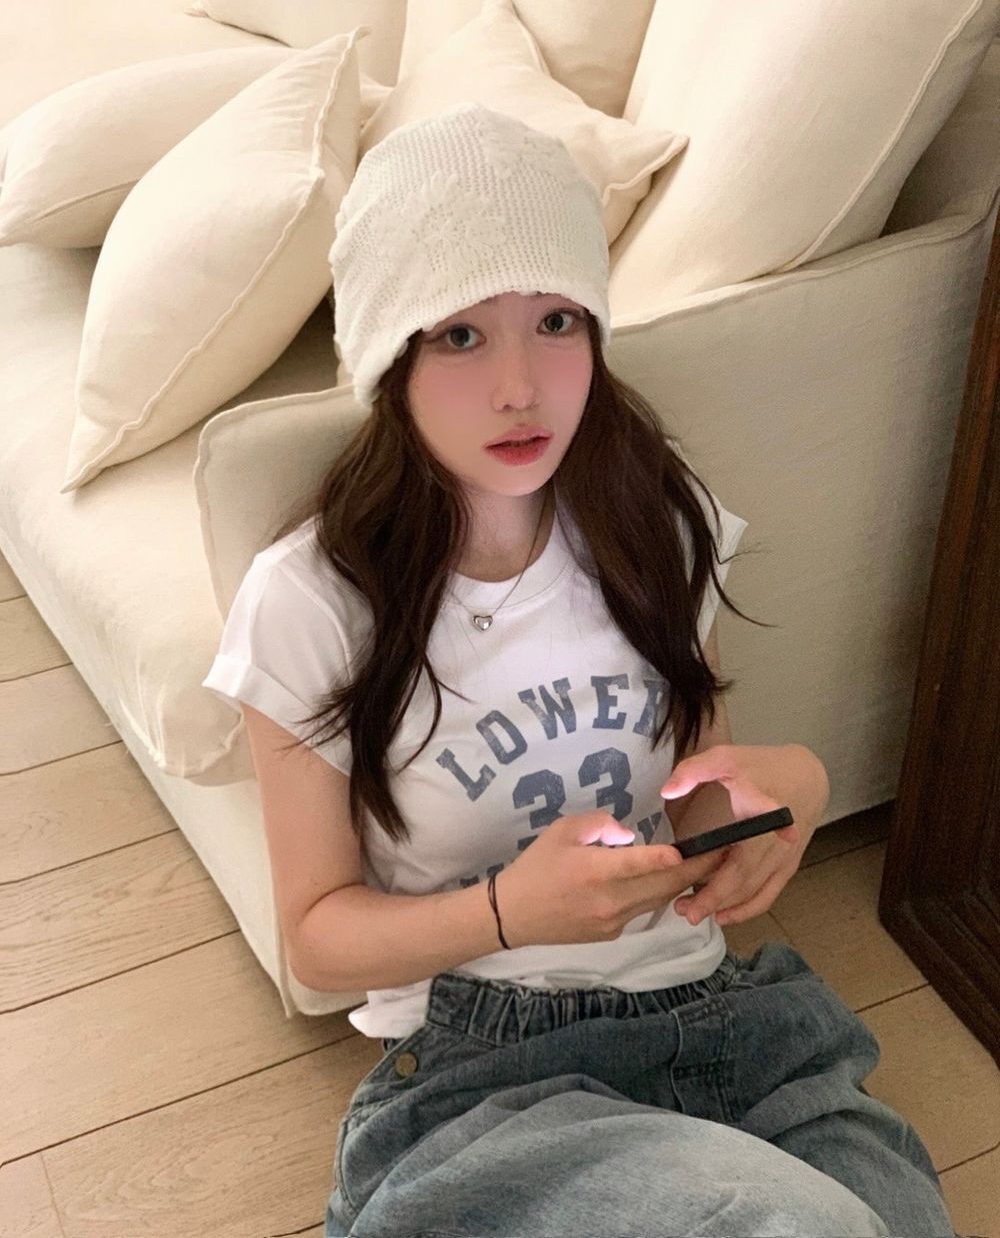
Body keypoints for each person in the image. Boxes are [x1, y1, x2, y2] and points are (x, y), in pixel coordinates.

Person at [202, 104, 963, 1237]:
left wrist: (786, 791)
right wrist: (508, 910)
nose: (521, 385)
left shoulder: (654, 521)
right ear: (390, 352)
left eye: (555, 320)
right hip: (488, 1070)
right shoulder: (312, 600)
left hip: (723, 1027)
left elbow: (694, 790)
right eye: (461, 334)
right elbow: (316, 935)